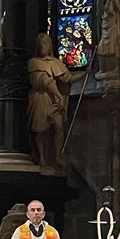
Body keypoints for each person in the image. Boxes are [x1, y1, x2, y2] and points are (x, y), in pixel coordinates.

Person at [27, 33, 86, 170]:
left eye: (46, 43)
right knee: (40, 130)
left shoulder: (55, 63)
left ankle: (58, 156)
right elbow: (43, 81)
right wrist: (59, 96)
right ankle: (41, 158)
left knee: (58, 125)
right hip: (40, 98)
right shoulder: (33, 63)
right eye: (41, 44)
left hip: (53, 99)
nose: (43, 46)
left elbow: (68, 79)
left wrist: (84, 73)